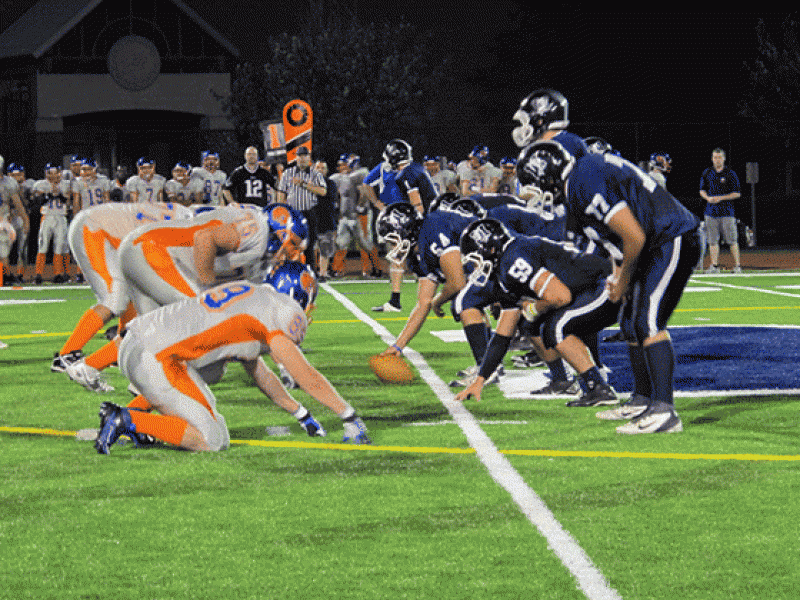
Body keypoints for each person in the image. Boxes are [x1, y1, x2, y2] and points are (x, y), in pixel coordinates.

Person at [517, 140, 701, 434]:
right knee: (630, 323)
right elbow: (613, 241)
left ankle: (665, 411)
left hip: (670, 235)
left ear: (546, 175)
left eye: (533, 184)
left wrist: (623, 279)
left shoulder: (583, 179)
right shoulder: (578, 184)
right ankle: (642, 399)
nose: (533, 193)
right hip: (651, 243)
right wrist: (617, 277)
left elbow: (634, 236)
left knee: (648, 321)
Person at [94, 262, 371, 454]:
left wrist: (300, 413)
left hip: (140, 344)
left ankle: (134, 413)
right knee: (212, 439)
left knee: (214, 368)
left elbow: (259, 371)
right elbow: (303, 373)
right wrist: (348, 415)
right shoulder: (282, 309)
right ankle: (128, 419)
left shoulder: (253, 297)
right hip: (157, 357)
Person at [453, 218, 620, 406]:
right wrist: (479, 381)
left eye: (476, 259)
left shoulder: (513, 258)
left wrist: (534, 307)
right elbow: (502, 336)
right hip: (585, 290)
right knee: (528, 323)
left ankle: (598, 387)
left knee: (556, 327)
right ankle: (562, 380)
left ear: (490, 249)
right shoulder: (504, 269)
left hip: (607, 285)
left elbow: (560, 297)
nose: (475, 267)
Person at [52, 202, 193, 377]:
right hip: (93, 228)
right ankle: (67, 356)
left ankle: (120, 352)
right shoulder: (183, 228)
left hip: (108, 233)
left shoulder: (183, 217)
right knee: (114, 299)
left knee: (134, 291)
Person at [329, 154, 381, 278]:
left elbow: (363, 190)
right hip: (346, 215)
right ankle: (337, 270)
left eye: (344, 164)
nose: (342, 167)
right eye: (341, 165)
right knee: (341, 243)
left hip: (361, 214)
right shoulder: (344, 178)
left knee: (364, 242)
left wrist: (360, 206)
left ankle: (370, 269)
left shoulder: (360, 173)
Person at [275, 146, 326, 269]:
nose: (302, 158)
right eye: (300, 156)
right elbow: (281, 193)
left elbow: (323, 191)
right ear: (296, 158)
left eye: (305, 156)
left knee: (310, 244)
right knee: (290, 244)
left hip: (309, 212)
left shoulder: (315, 174)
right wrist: (281, 212)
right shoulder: (288, 173)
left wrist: (303, 184)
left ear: (309, 157)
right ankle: (291, 272)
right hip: (293, 214)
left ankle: (310, 272)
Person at [699, 148, 742, 273]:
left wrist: (721, 198)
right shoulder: (707, 173)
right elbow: (702, 190)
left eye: (719, 157)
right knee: (712, 241)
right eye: (715, 157)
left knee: (732, 240)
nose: (717, 160)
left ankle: (737, 266)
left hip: (727, 213)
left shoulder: (730, 173)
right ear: (712, 158)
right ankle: (715, 266)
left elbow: (737, 193)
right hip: (710, 212)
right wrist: (708, 198)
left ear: (724, 158)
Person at [32, 164, 72, 284]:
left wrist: (58, 194)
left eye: (55, 172)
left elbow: (67, 200)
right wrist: (49, 195)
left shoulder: (65, 184)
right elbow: (37, 201)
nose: (53, 175)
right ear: (46, 173)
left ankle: (58, 274)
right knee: (43, 245)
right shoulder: (40, 184)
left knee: (60, 246)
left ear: (60, 173)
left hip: (61, 216)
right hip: (47, 216)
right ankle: (38, 275)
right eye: (50, 172)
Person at [1, 160, 29, 285]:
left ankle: (13, 275)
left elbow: (21, 204)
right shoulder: (8, 183)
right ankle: (6, 274)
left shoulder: (11, 183)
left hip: (11, 218)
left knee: (15, 250)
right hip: (6, 218)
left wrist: (25, 220)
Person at [313, 160, 338, 281]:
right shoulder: (309, 182)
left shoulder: (331, 183)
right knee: (309, 248)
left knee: (325, 249)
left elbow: (326, 196)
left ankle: (322, 274)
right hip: (311, 219)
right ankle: (311, 272)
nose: (320, 170)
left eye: (323, 168)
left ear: (326, 171)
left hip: (325, 219)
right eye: (318, 167)